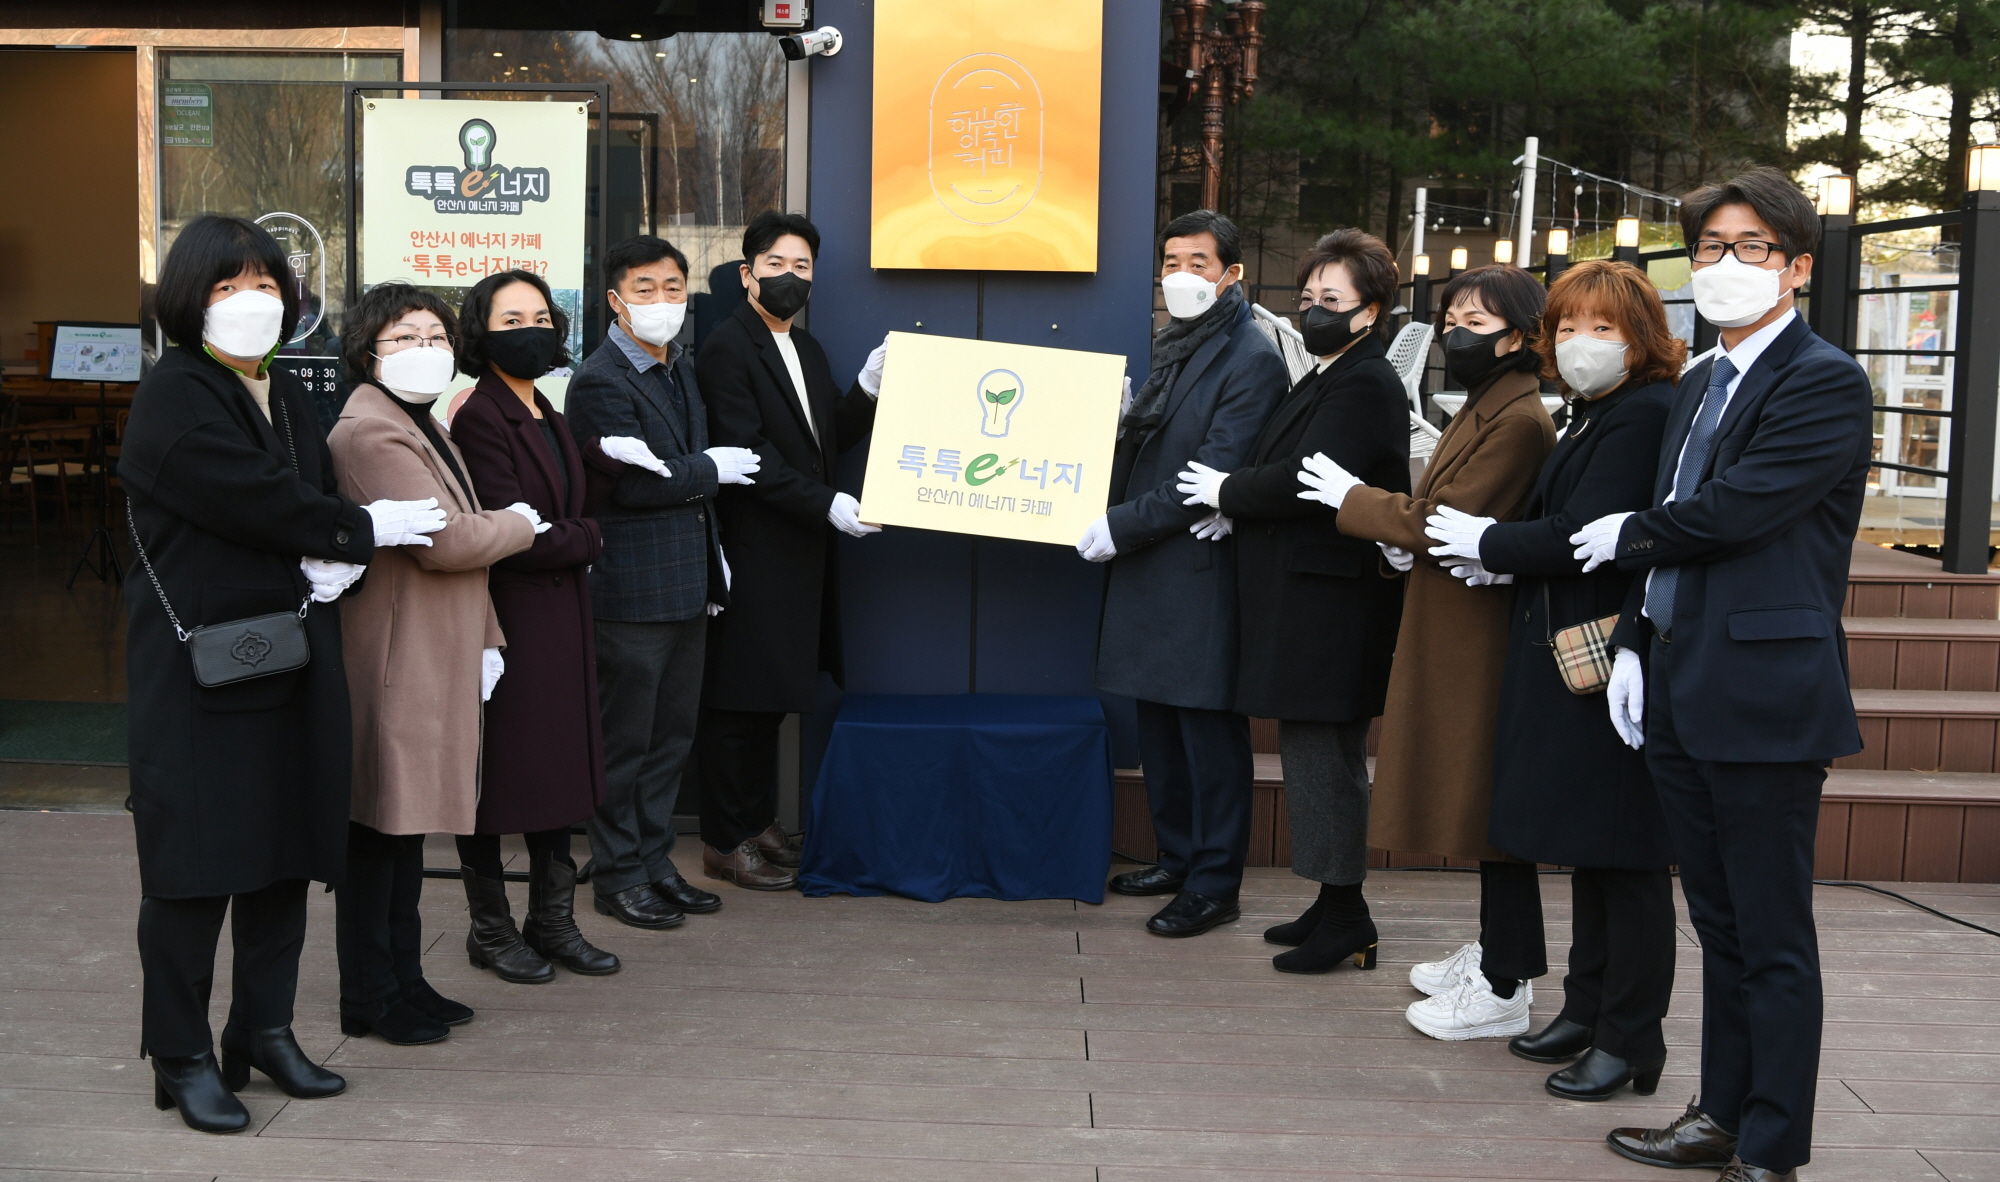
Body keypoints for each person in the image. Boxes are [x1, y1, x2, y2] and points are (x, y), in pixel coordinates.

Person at [1574, 168, 1873, 1182]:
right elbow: (1672, 531)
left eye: (1751, 247)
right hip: (1675, 679)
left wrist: (1628, 533)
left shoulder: (1823, 379)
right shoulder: (1699, 380)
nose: (1725, 264)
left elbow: (1737, 510)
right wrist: (1631, 640)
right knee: (1718, 924)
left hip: (1763, 696)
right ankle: (1718, 1115)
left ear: (1796, 267)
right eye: (1709, 247)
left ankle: (1771, 1146)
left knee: (1770, 933)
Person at [120, 215, 444, 1132]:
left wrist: (339, 550)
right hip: (204, 675)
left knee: (283, 857)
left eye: (264, 284)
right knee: (193, 871)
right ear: (189, 300)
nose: (250, 302)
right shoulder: (174, 393)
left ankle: (263, 1030)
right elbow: (253, 498)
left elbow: (311, 495)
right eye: (227, 287)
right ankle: (180, 1054)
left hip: (292, 659)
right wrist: (353, 533)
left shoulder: (286, 389)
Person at [1422, 259, 1680, 1099]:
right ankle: (1586, 1008)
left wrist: (1488, 543)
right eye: (1567, 327)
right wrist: (1501, 555)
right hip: (1570, 655)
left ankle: (1631, 1037)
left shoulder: (1643, 413)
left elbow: (1580, 531)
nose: (1579, 343)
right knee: (1596, 851)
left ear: (1640, 338)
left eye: (1602, 328)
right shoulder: (1594, 412)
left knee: (1627, 858)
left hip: (1612, 658)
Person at [1296, 263, 1555, 1036]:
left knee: (1486, 805)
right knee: (1477, 803)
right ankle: (1497, 952)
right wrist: (1400, 533)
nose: (1455, 334)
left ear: (1519, 336)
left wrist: (1354, 501)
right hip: (1450, 619)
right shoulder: (1489, 403)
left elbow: (1445, 518)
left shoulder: (1518, 419)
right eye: (1451, 319)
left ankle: (1506, 977)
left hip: (1476, 634)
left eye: (1476, 323)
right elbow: (1439, 515)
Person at [1173, 228, 1407, 970]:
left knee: (1325, 760)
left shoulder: (1366, 381)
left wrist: (1227, 491)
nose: (1314, 311)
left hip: (1331, 609)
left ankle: (1347, 916)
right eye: (1307, 297)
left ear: (1370, 311)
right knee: (1313, 756)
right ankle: (1333, 901)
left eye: (1332, 300)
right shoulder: (1328, 372)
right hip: (1305, 602)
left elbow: (1309, 475)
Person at [327, 283, 540, 1045]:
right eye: (404, 337)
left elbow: (459, 536)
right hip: (396, 662)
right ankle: (370, 994)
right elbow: (449, 542)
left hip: (434, 652)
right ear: (367, 353)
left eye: (435, 336)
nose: (425, 350)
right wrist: (519, 525)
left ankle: (405, 980)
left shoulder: (422, 421)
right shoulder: (370, 432)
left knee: (407, 833)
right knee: (380, 834)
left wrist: (487, 636)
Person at [1090, 209, 1287, 938]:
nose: (1180, 276)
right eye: (1171, 262)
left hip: (1198, 571)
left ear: (1231, 274)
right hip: (1156, 568)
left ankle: (1214, 882)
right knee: (1160, 727)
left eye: (1197, 263)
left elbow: (1208, 474)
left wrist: (1119, 525)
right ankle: (1177, 856)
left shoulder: (1250, 357)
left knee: (1207, 735)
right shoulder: (1179, 343)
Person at [566, 234, 756, 928]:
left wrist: (712, 553)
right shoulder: (599, 381)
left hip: (686, 586)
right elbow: (634, 486)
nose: (661, 300)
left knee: (671, 741)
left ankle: (654, 864)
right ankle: (617, 875)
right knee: (625, 745)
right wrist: (708, 471)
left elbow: (680, 476)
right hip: (630, 593)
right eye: (644, 288)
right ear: (615, 301)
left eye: (673, 286)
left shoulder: (680, 365)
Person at [693, 211, 881, 890]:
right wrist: (824, 502)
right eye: (776, 264)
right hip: (753, 549)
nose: (790, 277)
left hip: (797, 553)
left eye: (802, 267)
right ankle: (723, 841)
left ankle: (755, 821)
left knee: (767, 698)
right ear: (748, 273)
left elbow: (829, 436)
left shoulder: (806, 347)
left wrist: (867, 389)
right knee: (737, 703)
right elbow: (749, 453)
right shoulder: (727, 347)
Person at [450, 269, 621, 982]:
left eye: (542, 319)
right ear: (481, 332)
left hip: (562, 619)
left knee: (557, 773)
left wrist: (600, 478)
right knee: (500, 779)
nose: (532, 332)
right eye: (512, 320)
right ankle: (490, 931)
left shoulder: (548, 409)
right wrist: (589, 538)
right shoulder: (479, 414)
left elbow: (561, 512)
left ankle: (552, 923)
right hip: (511, 622)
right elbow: (513, 532)